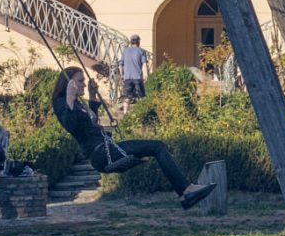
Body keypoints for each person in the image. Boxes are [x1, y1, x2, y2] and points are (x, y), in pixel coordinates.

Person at [51, 67, 213, 210]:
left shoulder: (79, 103)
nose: (84, 85)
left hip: (105, 149)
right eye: (80, 81)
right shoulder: (62, 102)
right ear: (69, 83)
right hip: (99, 154)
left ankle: (186, 192)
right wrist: (70, 97)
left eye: (84, 81)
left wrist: (93, 96)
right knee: (157, 147)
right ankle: (186, 191)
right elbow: (71, 126)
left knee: (158, 146)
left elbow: (88, 123)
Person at [121, 36, 150, 102]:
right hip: (137, 77)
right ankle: (144, 111)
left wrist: (122, 75)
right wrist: (146, 75)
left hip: (127, 77)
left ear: (131, 42)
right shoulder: (141, 51)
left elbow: (121, 64)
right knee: (142, 97)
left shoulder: (125, 51)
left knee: (127, 98)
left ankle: (125, 112)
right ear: (138, 42)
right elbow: (144, 64)